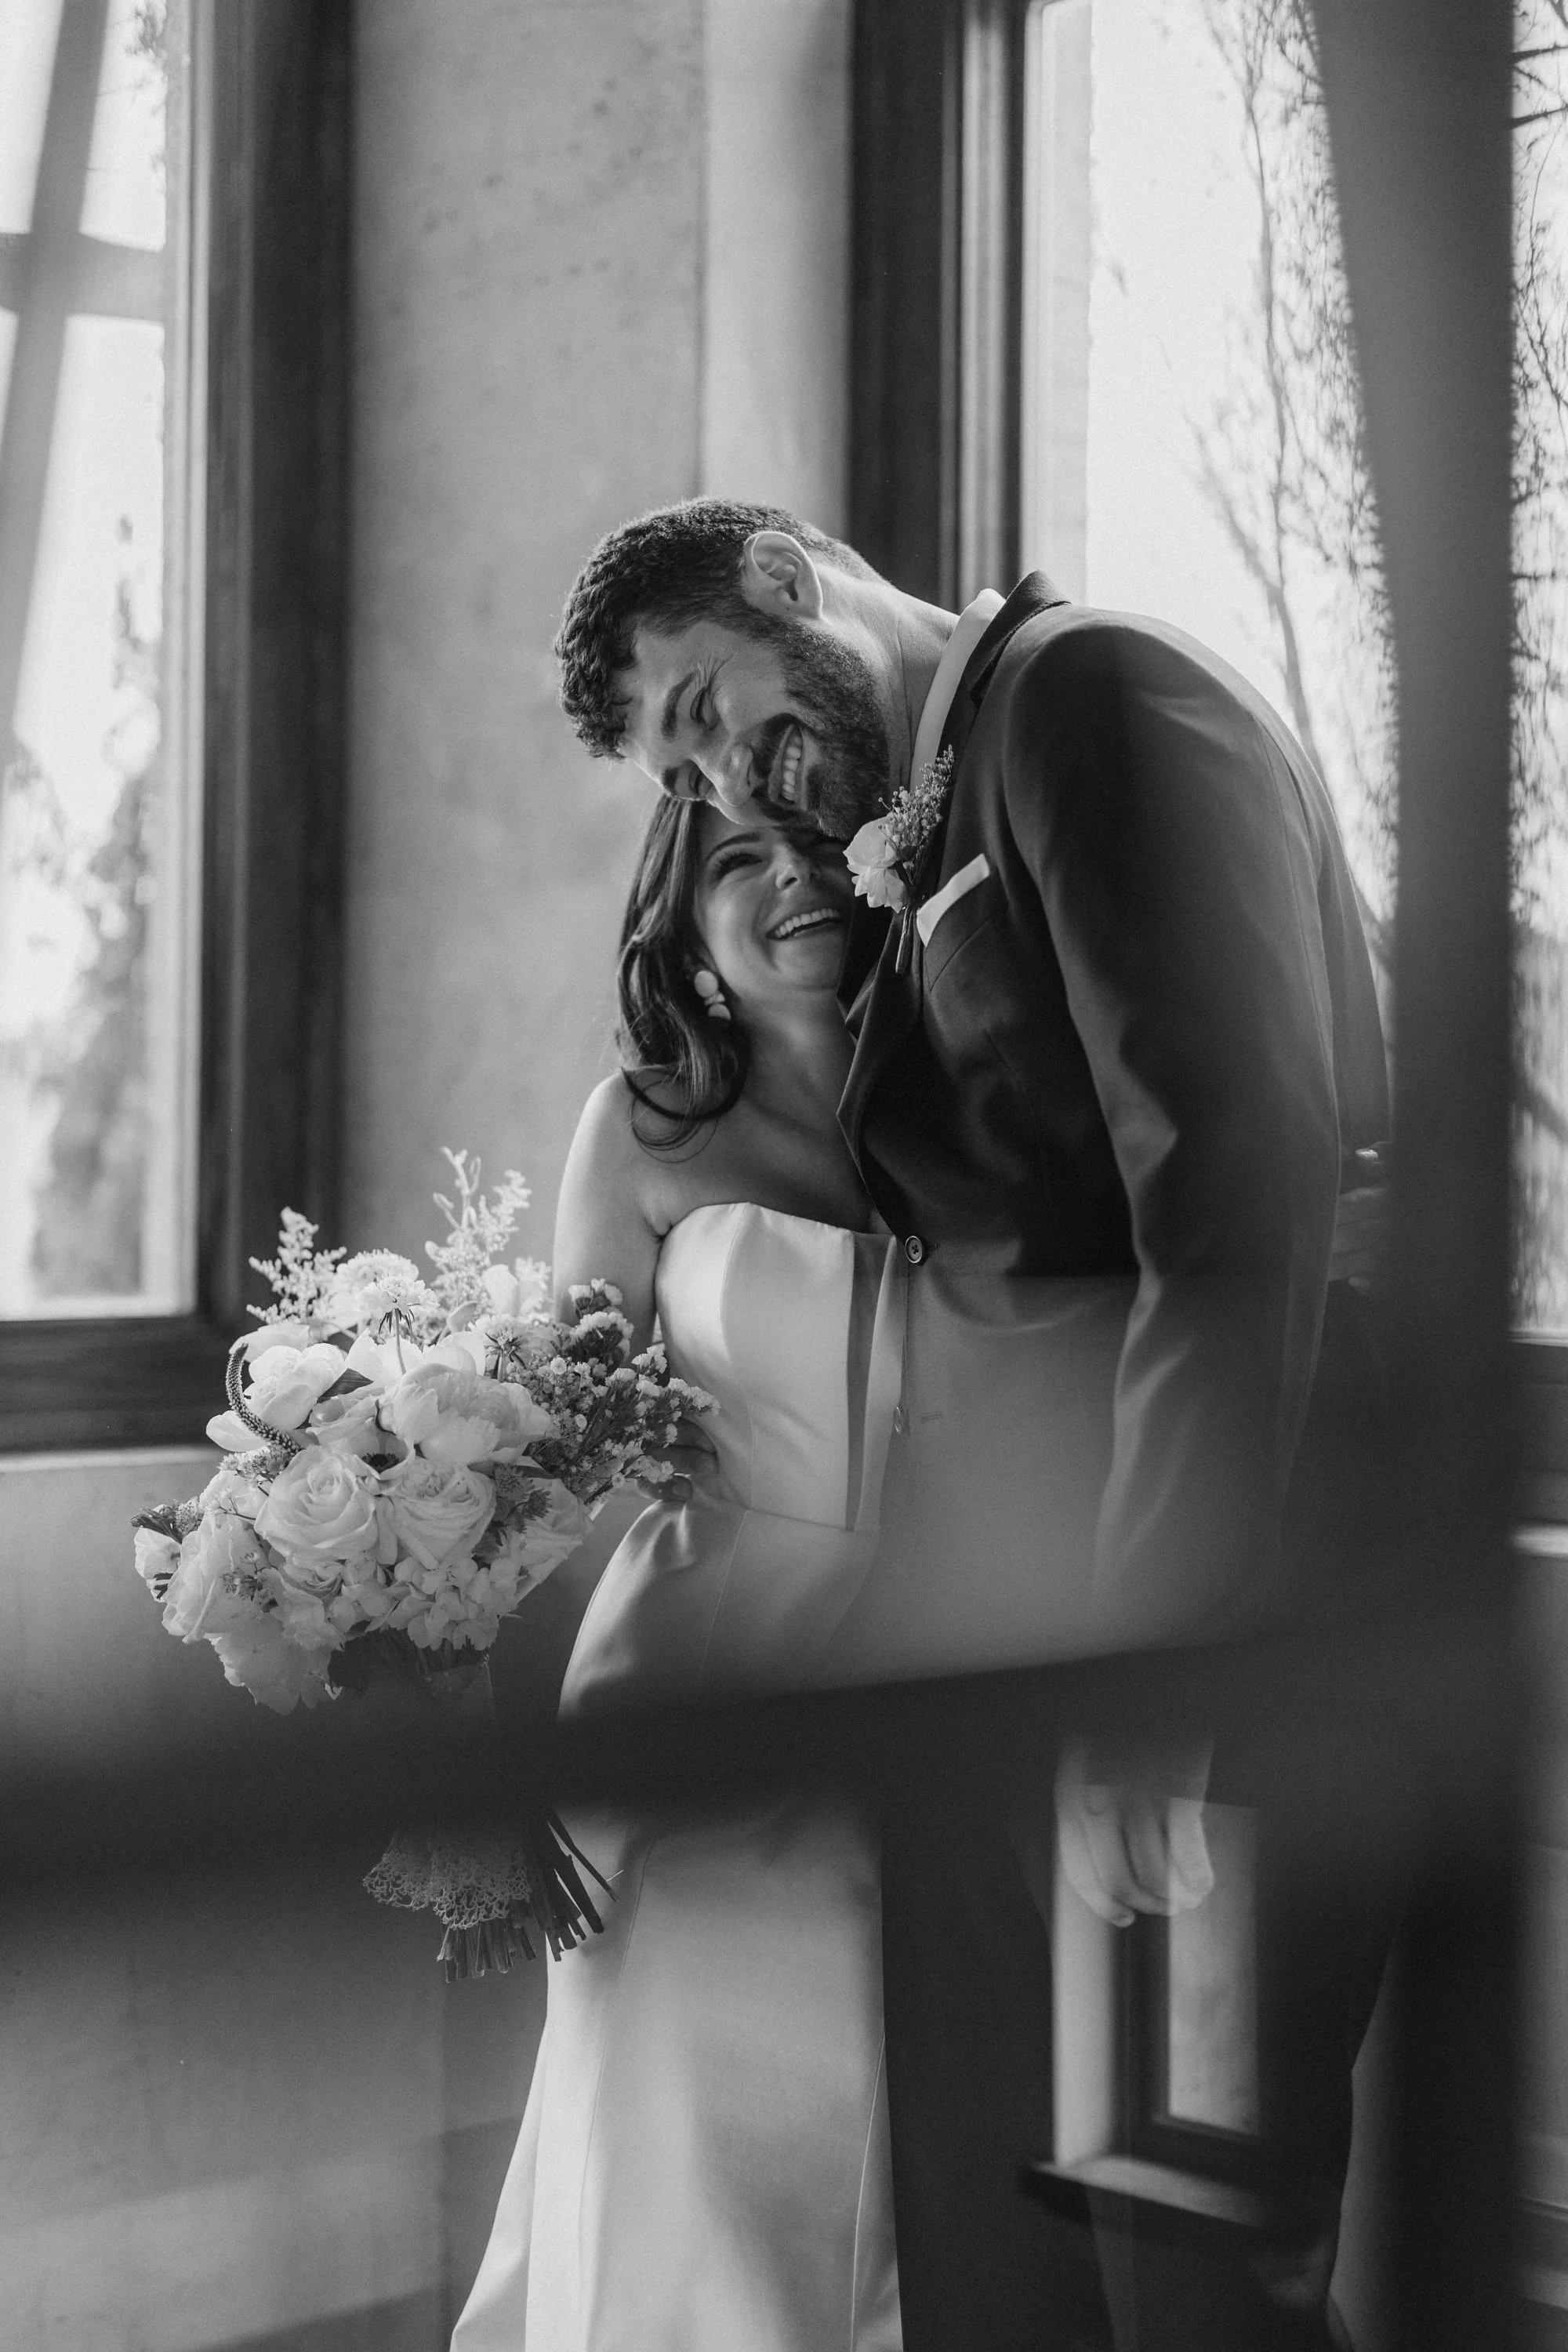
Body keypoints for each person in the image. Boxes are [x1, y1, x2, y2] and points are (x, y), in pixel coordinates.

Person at [548, 498, 1393, 2352]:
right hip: (1003, 1653)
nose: (741, 792)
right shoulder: (916, 812)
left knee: (1180, 2246)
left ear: (792, 580)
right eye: (688, 779)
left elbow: (1227, 1187)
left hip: (1198, 1608)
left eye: (713, 710)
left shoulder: (1097, 705)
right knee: (994, 2244)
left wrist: (1153, 1656)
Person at [452, 795, 922, 2350]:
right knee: (689, 2163)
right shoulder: (648, 1125)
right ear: (689, 933)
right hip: (697, 1685)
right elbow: (545, 1452)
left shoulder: (969, 1115)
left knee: (884, 2171)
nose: (788, 876)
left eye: (809, 840)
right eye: (734, 860)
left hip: (935, 1680)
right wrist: (515, 1750)